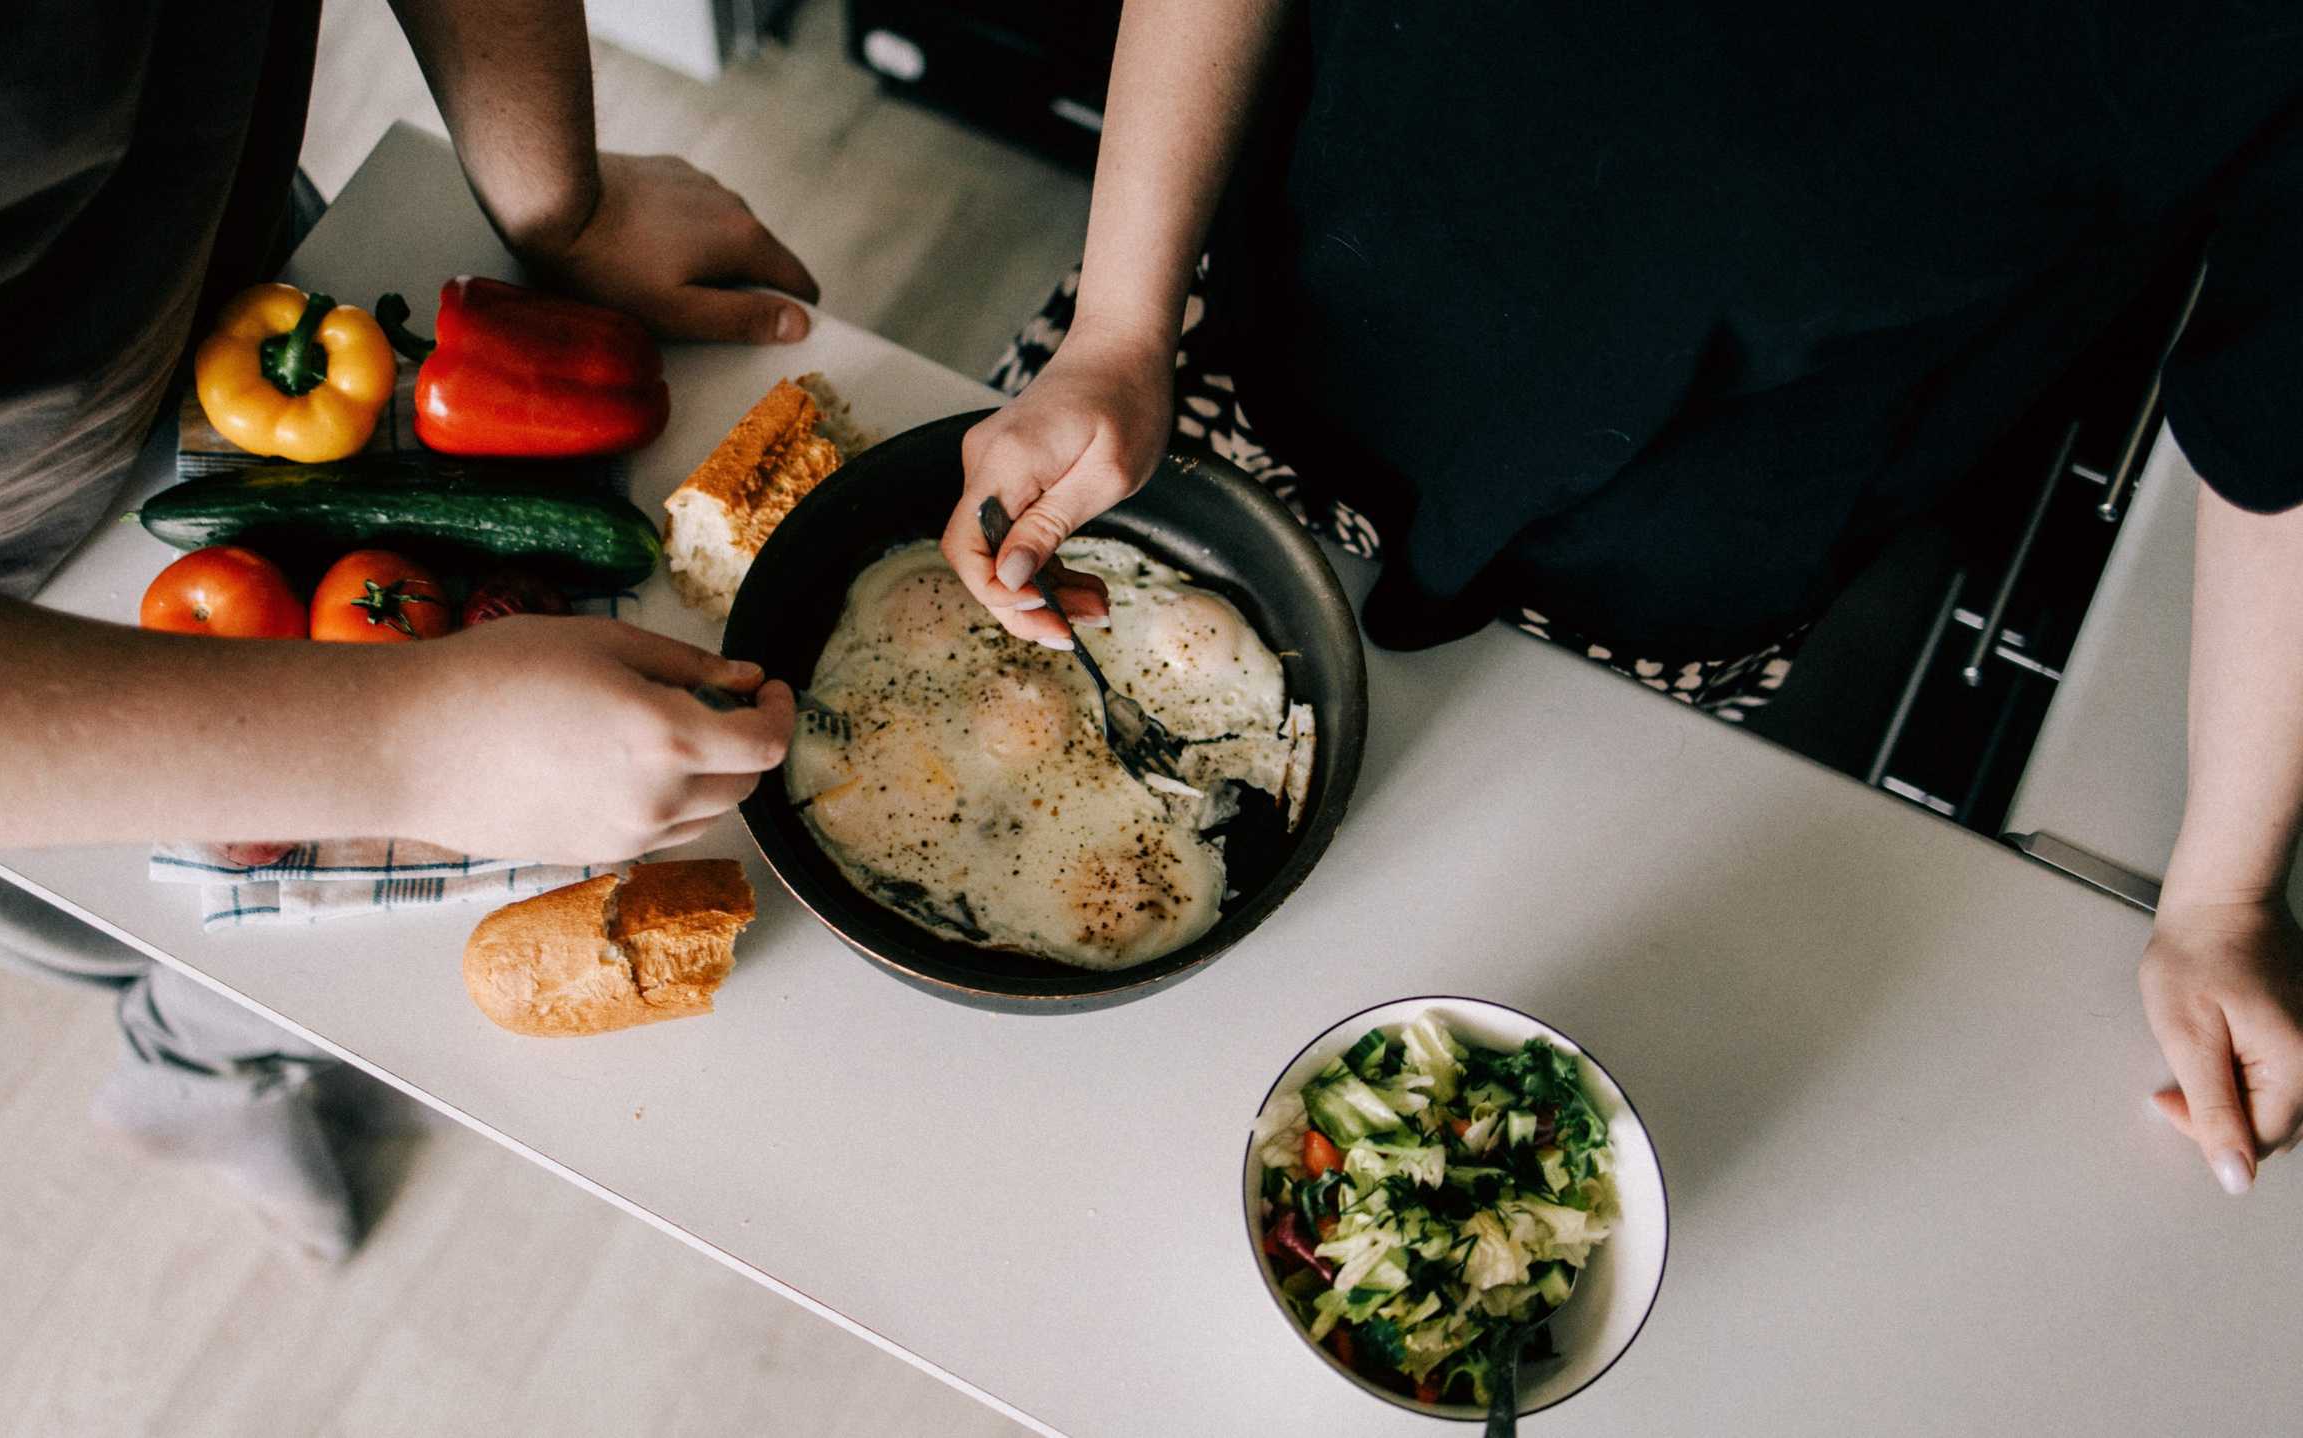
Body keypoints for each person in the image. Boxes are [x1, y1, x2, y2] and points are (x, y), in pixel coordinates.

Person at [948, 1, 2303, 1195]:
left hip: (1684, 547)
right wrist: (1118, 327)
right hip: (1220, 338)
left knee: (1429, 927)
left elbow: (2284, 428)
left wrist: (2225, 893)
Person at [0, 0, 807, 1263]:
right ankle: (196, 1079)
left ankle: (220, 1056)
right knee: (185, 937)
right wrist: (414, 747)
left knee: (345, 933)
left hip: (263, 321)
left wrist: (558, 203)